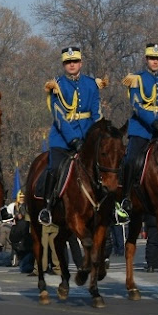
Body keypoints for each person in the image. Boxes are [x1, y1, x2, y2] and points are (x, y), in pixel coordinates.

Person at [38, 47, 103, 226]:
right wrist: (73, 140)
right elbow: (59, 116)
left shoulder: (91, 84)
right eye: (68, 62)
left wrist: (99, 135)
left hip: (89, 136)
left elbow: (96, 113)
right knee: (55, 167)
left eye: (75, 61)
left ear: (81, 63)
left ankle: (114, 207)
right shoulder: (56, 85)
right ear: (64, 64)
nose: (72, 65)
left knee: (107, 165)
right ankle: (48, 207)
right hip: (63, 139)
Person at [120, 43, 158, 222]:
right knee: (131, 159)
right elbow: (137, 105)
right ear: (147, 59)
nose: (155, 62)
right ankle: (125, 198)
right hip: (141, 129)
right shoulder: (136, 79)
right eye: (152, 58)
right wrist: (153, 122)